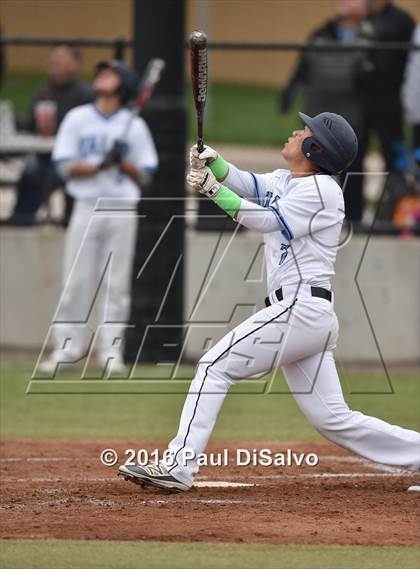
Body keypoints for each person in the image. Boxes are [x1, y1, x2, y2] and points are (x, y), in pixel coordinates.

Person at [118, 111, 420, 492]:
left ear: (315, 148)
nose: (296, 132)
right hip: (305, 314)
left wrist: (212, 190)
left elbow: (265, 219)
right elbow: (249, 184)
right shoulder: (289, 180)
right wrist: (216, 162)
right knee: (334, 419)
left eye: (305, 132)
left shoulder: (322, 191)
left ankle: (179, 465)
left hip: (299, 308)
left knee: (213, 367)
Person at [39, 61, 158, 374]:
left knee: (115, 284)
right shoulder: (78, 119)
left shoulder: (135, 125)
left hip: (121, 207)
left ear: (123, 86)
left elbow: (146, 174)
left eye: (111, 73)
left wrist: (123, 163)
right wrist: (99, 166)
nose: (102, 76)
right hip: (86, 205)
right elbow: (64, 166)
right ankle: (67, 349)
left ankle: (111, 352)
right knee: (75, 280)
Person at [279, 0, 368, 224]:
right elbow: (302, 68)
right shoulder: (321, 33)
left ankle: (353, 219)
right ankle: (307, 216)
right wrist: (288, 94)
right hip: (318, 116)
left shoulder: (372, 36)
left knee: (352, 171)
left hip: (352, 117)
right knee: (312, 168)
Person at [7, 44, 93, 226]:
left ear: (75, 64)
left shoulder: (85, 95)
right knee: (31, 174)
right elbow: (30, 125)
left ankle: (71, 221)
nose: (54, 61)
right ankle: (21, 221)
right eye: (53, 57)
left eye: (60, 58)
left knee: (63, 176)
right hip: (44, 157)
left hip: (73, 161)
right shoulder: (44, 92)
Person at [356, 0, 415, 223]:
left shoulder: (402, 21)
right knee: (355, 154)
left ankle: (394, 213)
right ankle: (354, 214)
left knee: (394, 158)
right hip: (364, 100)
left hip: (390, 101)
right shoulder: (366, 18)